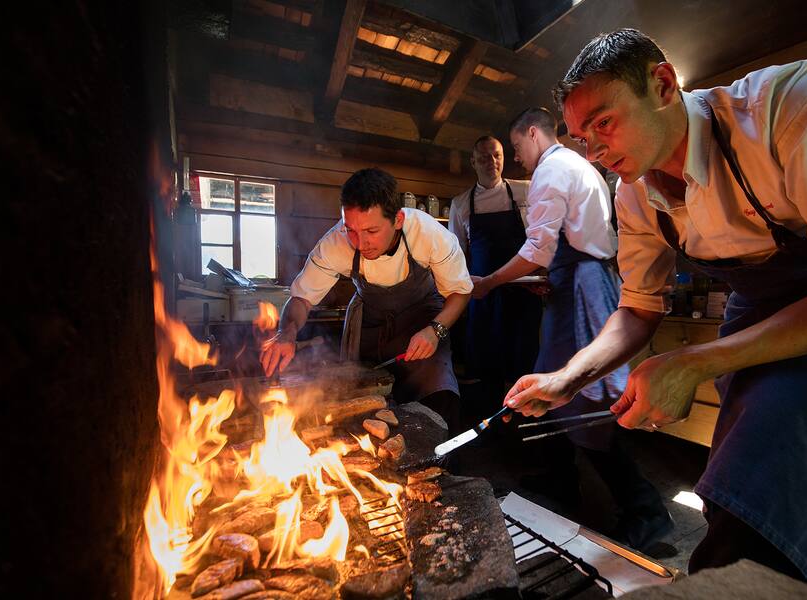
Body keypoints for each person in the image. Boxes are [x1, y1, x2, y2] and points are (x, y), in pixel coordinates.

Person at [504, 28, 807, 590]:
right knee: (755, 457)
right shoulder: (633, 192)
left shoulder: (795, 110)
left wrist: (697, 361)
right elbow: (637, 308)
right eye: (582, 137)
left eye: (603, 122)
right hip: (762, 306)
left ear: (661, 84)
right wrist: (567, 378)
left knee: (784, 429)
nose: (595, 149)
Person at [471, 107, 673, 552]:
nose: (520, 158)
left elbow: (539, 248)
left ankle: (648, 515)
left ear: (531, 134)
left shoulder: (552, 168)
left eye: (519, 148)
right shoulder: (577, 166)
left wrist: (489, 281)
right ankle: (560, 481)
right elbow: (566, 248)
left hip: (584, 289)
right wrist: (550, 282)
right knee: (549, 389)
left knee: (590, 399)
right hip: (575, 285)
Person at [260, 168, 472, 432]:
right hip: (369, 325)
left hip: (423, 321)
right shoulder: (335, 243)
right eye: (351, 230)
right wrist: (287, 332)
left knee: (439, 400)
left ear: (397, 219)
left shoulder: (429, 235)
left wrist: (435, 330)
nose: (360, 243)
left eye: (371, 231)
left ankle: (438, 467)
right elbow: (301, 299)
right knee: (362, 405)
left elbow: (460, 292)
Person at [448, 136, 540, 407]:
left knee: (524, 365)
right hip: (483, 299)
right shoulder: (462, 203)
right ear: (473, 161)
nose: (493, 162)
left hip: (523, 294)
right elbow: (456, 257)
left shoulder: (525, 191)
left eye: (497, 155)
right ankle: (488, 423)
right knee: (486, 368)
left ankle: (522, 419)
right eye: (485, 157)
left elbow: (540, 240)